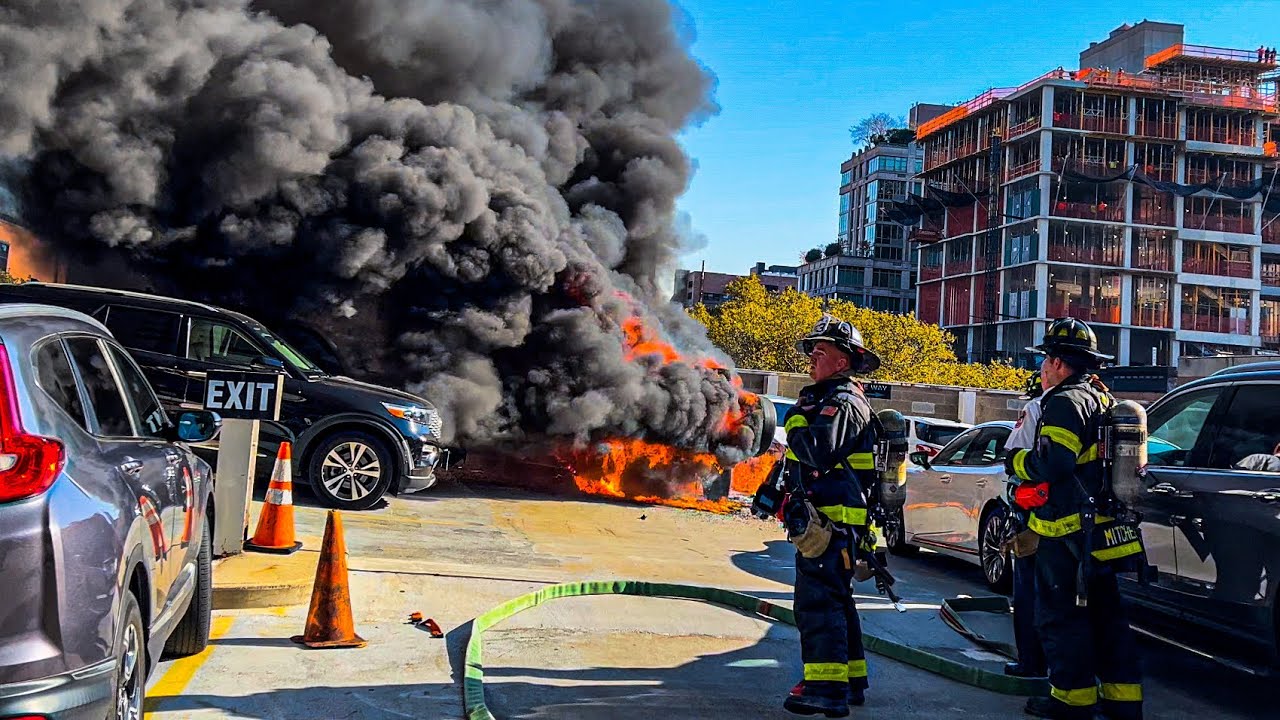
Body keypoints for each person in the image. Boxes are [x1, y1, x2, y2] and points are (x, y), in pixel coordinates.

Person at [1005, 318, 1143, 720]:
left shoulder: (1065, 401)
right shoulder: (1100, 398)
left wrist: (1016, 460)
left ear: (1060, 363)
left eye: (1044, 361)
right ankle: (1123, 703)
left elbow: (1055, 463)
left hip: (1067, 534)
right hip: (1100, 532)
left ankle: (1071, 702)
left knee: (1063, 620)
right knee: (1107, 621)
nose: (1041, 369)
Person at [780, 315, 881, 718]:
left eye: (821, 352)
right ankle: (852, 680)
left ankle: (825, 688)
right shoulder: (831, 399)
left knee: (818, 605)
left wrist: (794, 420)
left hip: (832, 523)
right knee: (837, 601)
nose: (811, 358)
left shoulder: (842, 403)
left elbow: (816, 451)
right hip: (827, 521)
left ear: (842, 362)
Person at [1002, 370, 1048, 680]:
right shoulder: (1098, 402)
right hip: (1082, 522)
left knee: (1029, 594)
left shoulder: (1036, 408)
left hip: (1036, 519)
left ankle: (1031, 663)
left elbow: (1013, 455)